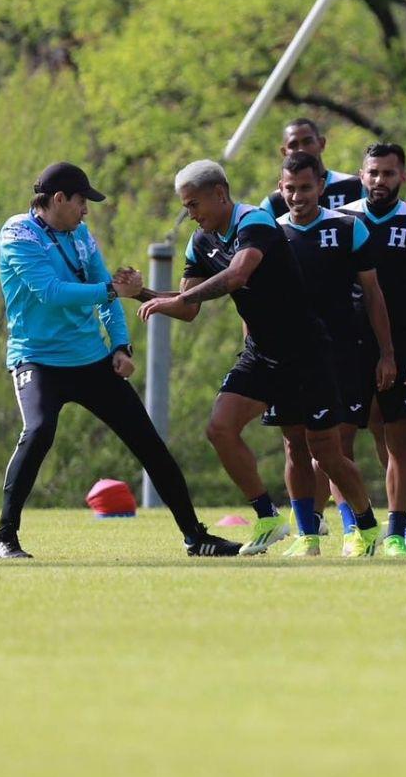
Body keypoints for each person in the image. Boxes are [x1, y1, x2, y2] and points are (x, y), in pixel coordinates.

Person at [0, 162, 239, 559]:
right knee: (38, 432)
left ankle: (197, 537)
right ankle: (3, 538)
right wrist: (112, 289)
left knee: (149, 443)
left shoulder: (81, 235)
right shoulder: (17, 234)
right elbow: (52, 292)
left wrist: (121, 347)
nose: (86, 211)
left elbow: (107, 296)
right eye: (81, 203)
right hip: (36, 360)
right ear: (58, 200)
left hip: (91, 360)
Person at [138, 160, 364, 556]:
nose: (191, 214)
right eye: (186, 207)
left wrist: (178, 297)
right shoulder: (200, 241)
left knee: (326, 452)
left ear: (220, 195)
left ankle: (367, 525)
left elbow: (238, 275)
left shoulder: (255, 221)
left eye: (194, 205)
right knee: (220, 429)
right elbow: (186, 308)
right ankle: (269, 518)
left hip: (307, 350)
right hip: (262, 353)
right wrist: (141, 294)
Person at [267, 152, 398, 557]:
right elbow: (256, 302)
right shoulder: (270, 233)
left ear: (321, 186)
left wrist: (387, 353)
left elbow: (373, 295)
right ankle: (307, 536)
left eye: (305, 187)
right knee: (294, 445)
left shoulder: (347, 228)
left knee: (333, 448)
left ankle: (359, 527)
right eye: (289, 188)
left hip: (338, 355)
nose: (297, 196)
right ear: (280, 188)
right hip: (285, 357)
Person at [340, 144, 406, 555]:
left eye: (389, 174)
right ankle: (353, 530)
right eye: (373, 173)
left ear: (404, 178)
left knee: (400, 439)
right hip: (348, 348)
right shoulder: (342, 220)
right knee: (334, 443)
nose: (380, 181)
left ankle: (397, 531)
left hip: (403, 346)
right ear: (361, 175)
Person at [259, 117, 363, 219]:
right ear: (284, 152)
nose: (301, 149)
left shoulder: (354, 186)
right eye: (293, 145)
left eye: (307, 142)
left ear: (321, 143)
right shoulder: (273, 203)